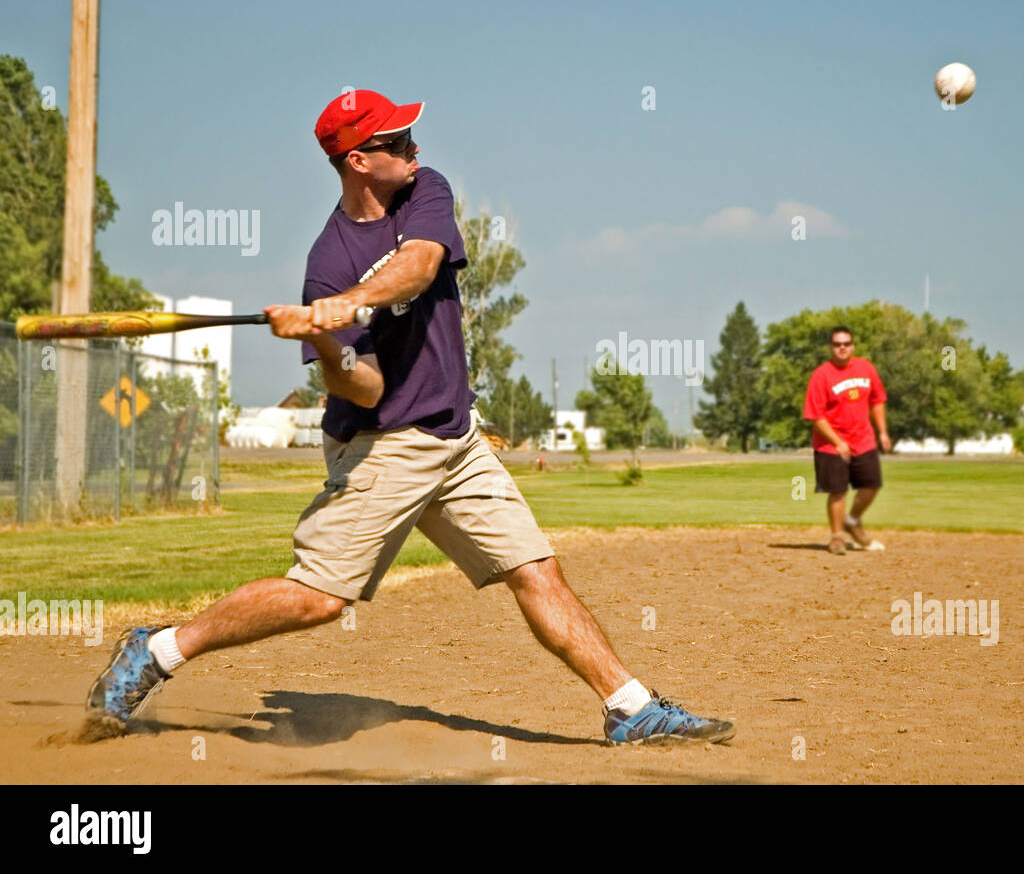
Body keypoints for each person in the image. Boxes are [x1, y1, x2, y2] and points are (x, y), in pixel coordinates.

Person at [84, 89, 734, 747]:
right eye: (396, 141)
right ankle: (157, 649)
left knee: (535, 569)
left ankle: (629, 706)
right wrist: (332, 342)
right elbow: (363, 389)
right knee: (319, 597)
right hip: (383, 446)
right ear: (360, 160)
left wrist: (352, 304)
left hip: (456, 435)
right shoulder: (327, 265)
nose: (413, 148)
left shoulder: (425, 190)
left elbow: (421, 266)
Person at [802, 326, 891, 555]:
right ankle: (837, 537)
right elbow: (815, 416)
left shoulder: (865, 368)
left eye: (846, 343)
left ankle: (852, 521)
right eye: (837, 344)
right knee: (838, 491)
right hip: (831, 444)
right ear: (830, 347)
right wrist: (837, 442)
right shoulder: (821, 375)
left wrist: (882, 432)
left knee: (871, 485)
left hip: (864, 439)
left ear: (852, 346)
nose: (842, 348)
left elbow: (877, 400)